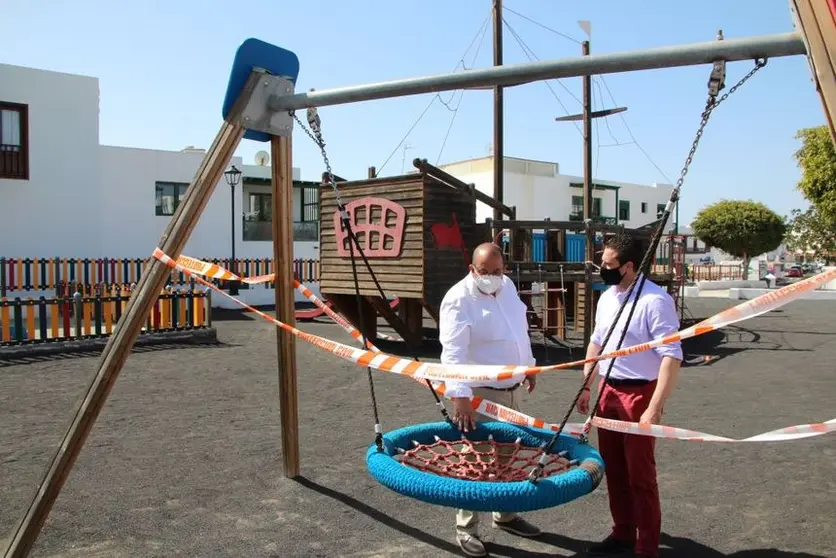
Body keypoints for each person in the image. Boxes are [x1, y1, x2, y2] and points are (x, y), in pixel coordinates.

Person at [577, 233, 683, 558]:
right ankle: (622, 531)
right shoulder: (607, 297)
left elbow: (672, 355)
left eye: (608, 265)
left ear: (628, 266)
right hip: (608, 391)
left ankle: (646, 546)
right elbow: (598, 340)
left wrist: (655, 407)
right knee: (614, 468)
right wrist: (587, 384)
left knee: (641, 476)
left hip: (640, 394)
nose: (602, 270)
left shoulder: (655, 301)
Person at [438, 242, 542, 557]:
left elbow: (518, 331)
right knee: (476, 462)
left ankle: (505, 514)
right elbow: (452, 352)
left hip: (510, 391)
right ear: (472, 269)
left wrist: (529, 366)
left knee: (509, 456)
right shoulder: (458, 300)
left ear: (505, 269)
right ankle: (466, 529)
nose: (493, 277)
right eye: (485, 272)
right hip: (478, 397)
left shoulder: (508, 287)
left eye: (497, 271)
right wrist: (460, 397)